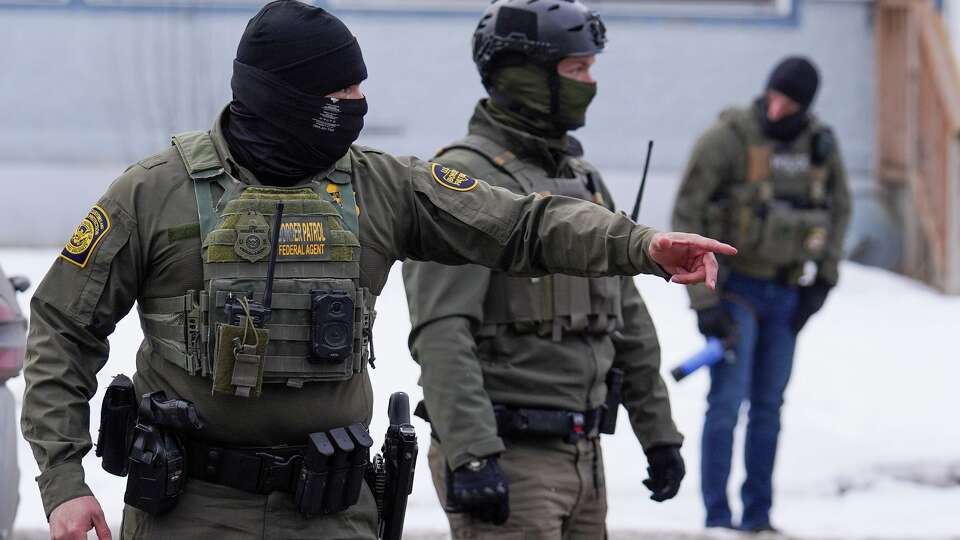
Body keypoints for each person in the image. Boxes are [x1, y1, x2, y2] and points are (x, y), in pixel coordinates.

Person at [19, 1, 735, 539]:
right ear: (283, 98)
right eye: (342, 95)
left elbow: (520, 224)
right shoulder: (155, 192)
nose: (360, 106)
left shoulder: (382, 185)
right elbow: (62, 325)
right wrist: (62, 478)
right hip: (191, 509)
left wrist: (640, 245)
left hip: (335, 509)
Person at [402, 1, 686, 538]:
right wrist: (472, 453)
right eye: (576, 69)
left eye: (590, 68)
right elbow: (441, 331)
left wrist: (659, 433)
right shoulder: (462, 180)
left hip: (585, 456)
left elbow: (626, 314)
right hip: (510, 457)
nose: (590, 83)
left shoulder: (585, 181)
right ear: (525, 77)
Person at [672, 56, 851, 533]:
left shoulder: (819, 145)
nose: (776, 110)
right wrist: (704, 303)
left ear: (804, 106)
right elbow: (687, 213)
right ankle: (717, 518)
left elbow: (840, 208)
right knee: (726, 403)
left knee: (768, 407)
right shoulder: (728, 138)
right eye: (773, 97)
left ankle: (758, 517)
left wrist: (824, 280)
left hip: (787, 291)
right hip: (735, 290)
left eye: (788, 103)